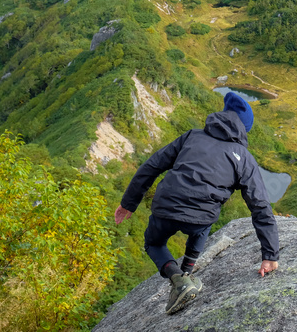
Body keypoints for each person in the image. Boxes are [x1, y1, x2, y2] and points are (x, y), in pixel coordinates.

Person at [114, 91, 280, 315]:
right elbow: (260, 206)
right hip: (200, 219)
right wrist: (270, 255)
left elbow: (151, 166)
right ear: (244, 128)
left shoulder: (191, 136)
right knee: (205, 217)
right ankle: (186, 275)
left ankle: (177, 278)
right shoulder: (245, 158)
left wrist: (128, 203)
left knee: (154, 244)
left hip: (166, 206)